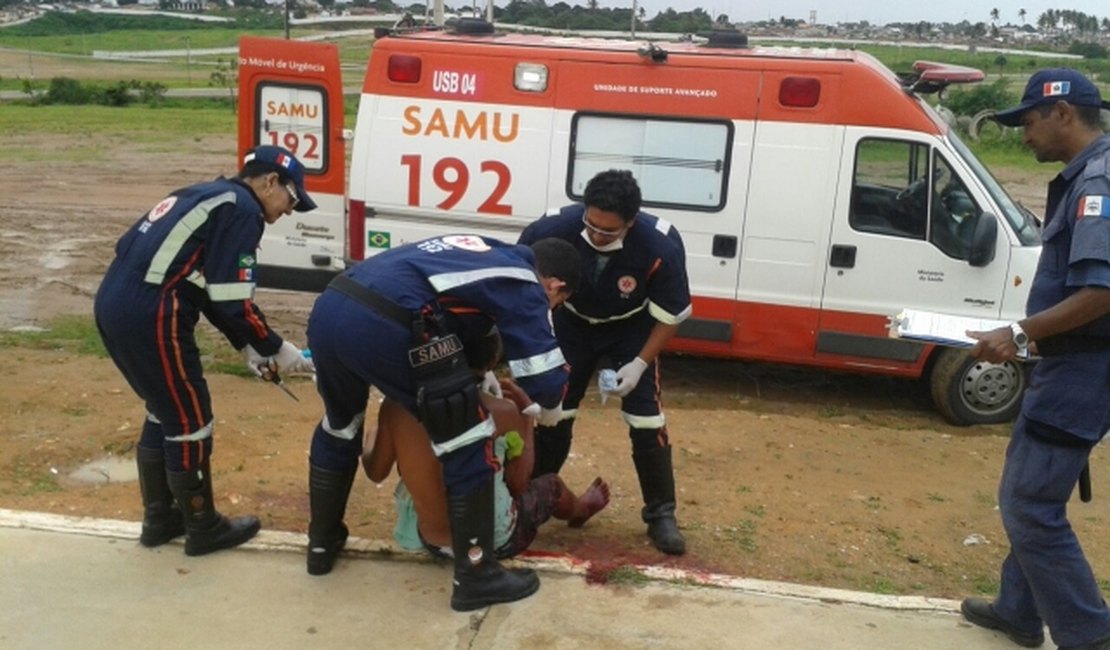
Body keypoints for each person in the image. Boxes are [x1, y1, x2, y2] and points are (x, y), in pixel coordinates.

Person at [304, 234, 581, 612]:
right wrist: (542, 409)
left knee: (340, 425)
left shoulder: (482, 250)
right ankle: (476, 575)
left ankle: (321, 543)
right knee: (467, 438)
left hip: (332, 307)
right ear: (554, 286)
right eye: (557, 304)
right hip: (389, 324)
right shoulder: (525, 281)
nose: (550, 307)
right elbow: (545, 382)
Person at [94, 145, 317, 556]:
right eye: (292, 198)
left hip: (114, 301)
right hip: (152, 313)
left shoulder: (202, 194)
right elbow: (232, 299)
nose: (289, 210)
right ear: (270, 182)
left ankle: (160, 518)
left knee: (162, 407)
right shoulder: (243, 210)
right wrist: (279, 348)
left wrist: (249, 346)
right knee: (190, 418)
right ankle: (203, 526)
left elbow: (211, 291)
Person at [960, 68, 1110, 650]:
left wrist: (1017, 333)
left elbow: (1101, 293)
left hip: (1082, 372)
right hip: (1072, 364)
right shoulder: (1087, 177)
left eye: (1027, 122)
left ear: (1062, 114)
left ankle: (1088, 634)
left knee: (1028, 504)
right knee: (1034, 496)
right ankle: (1019, 609)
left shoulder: (1097, 184)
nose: (1023, 135)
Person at [518, 169, 692, 555]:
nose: (596, 236)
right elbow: (524, 284)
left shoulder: (660, 246)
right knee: (554, 411)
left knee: (646, 418)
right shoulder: (551, 229)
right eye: (590, 225)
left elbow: (672, 314)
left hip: (632, 327)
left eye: (608, 232)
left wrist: (640, 364)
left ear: (630, 222)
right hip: (571, 322)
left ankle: (661, 514)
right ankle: (532, 499)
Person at [361, 330, 610, 560]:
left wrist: (374, 434)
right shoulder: (502, 411)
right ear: (492, 363)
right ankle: (579, 509)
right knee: (552, 485)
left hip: (420, 536)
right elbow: (518, 484)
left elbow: (376, 472)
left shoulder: (396, 406)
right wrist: (525, 418)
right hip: (490, 541)